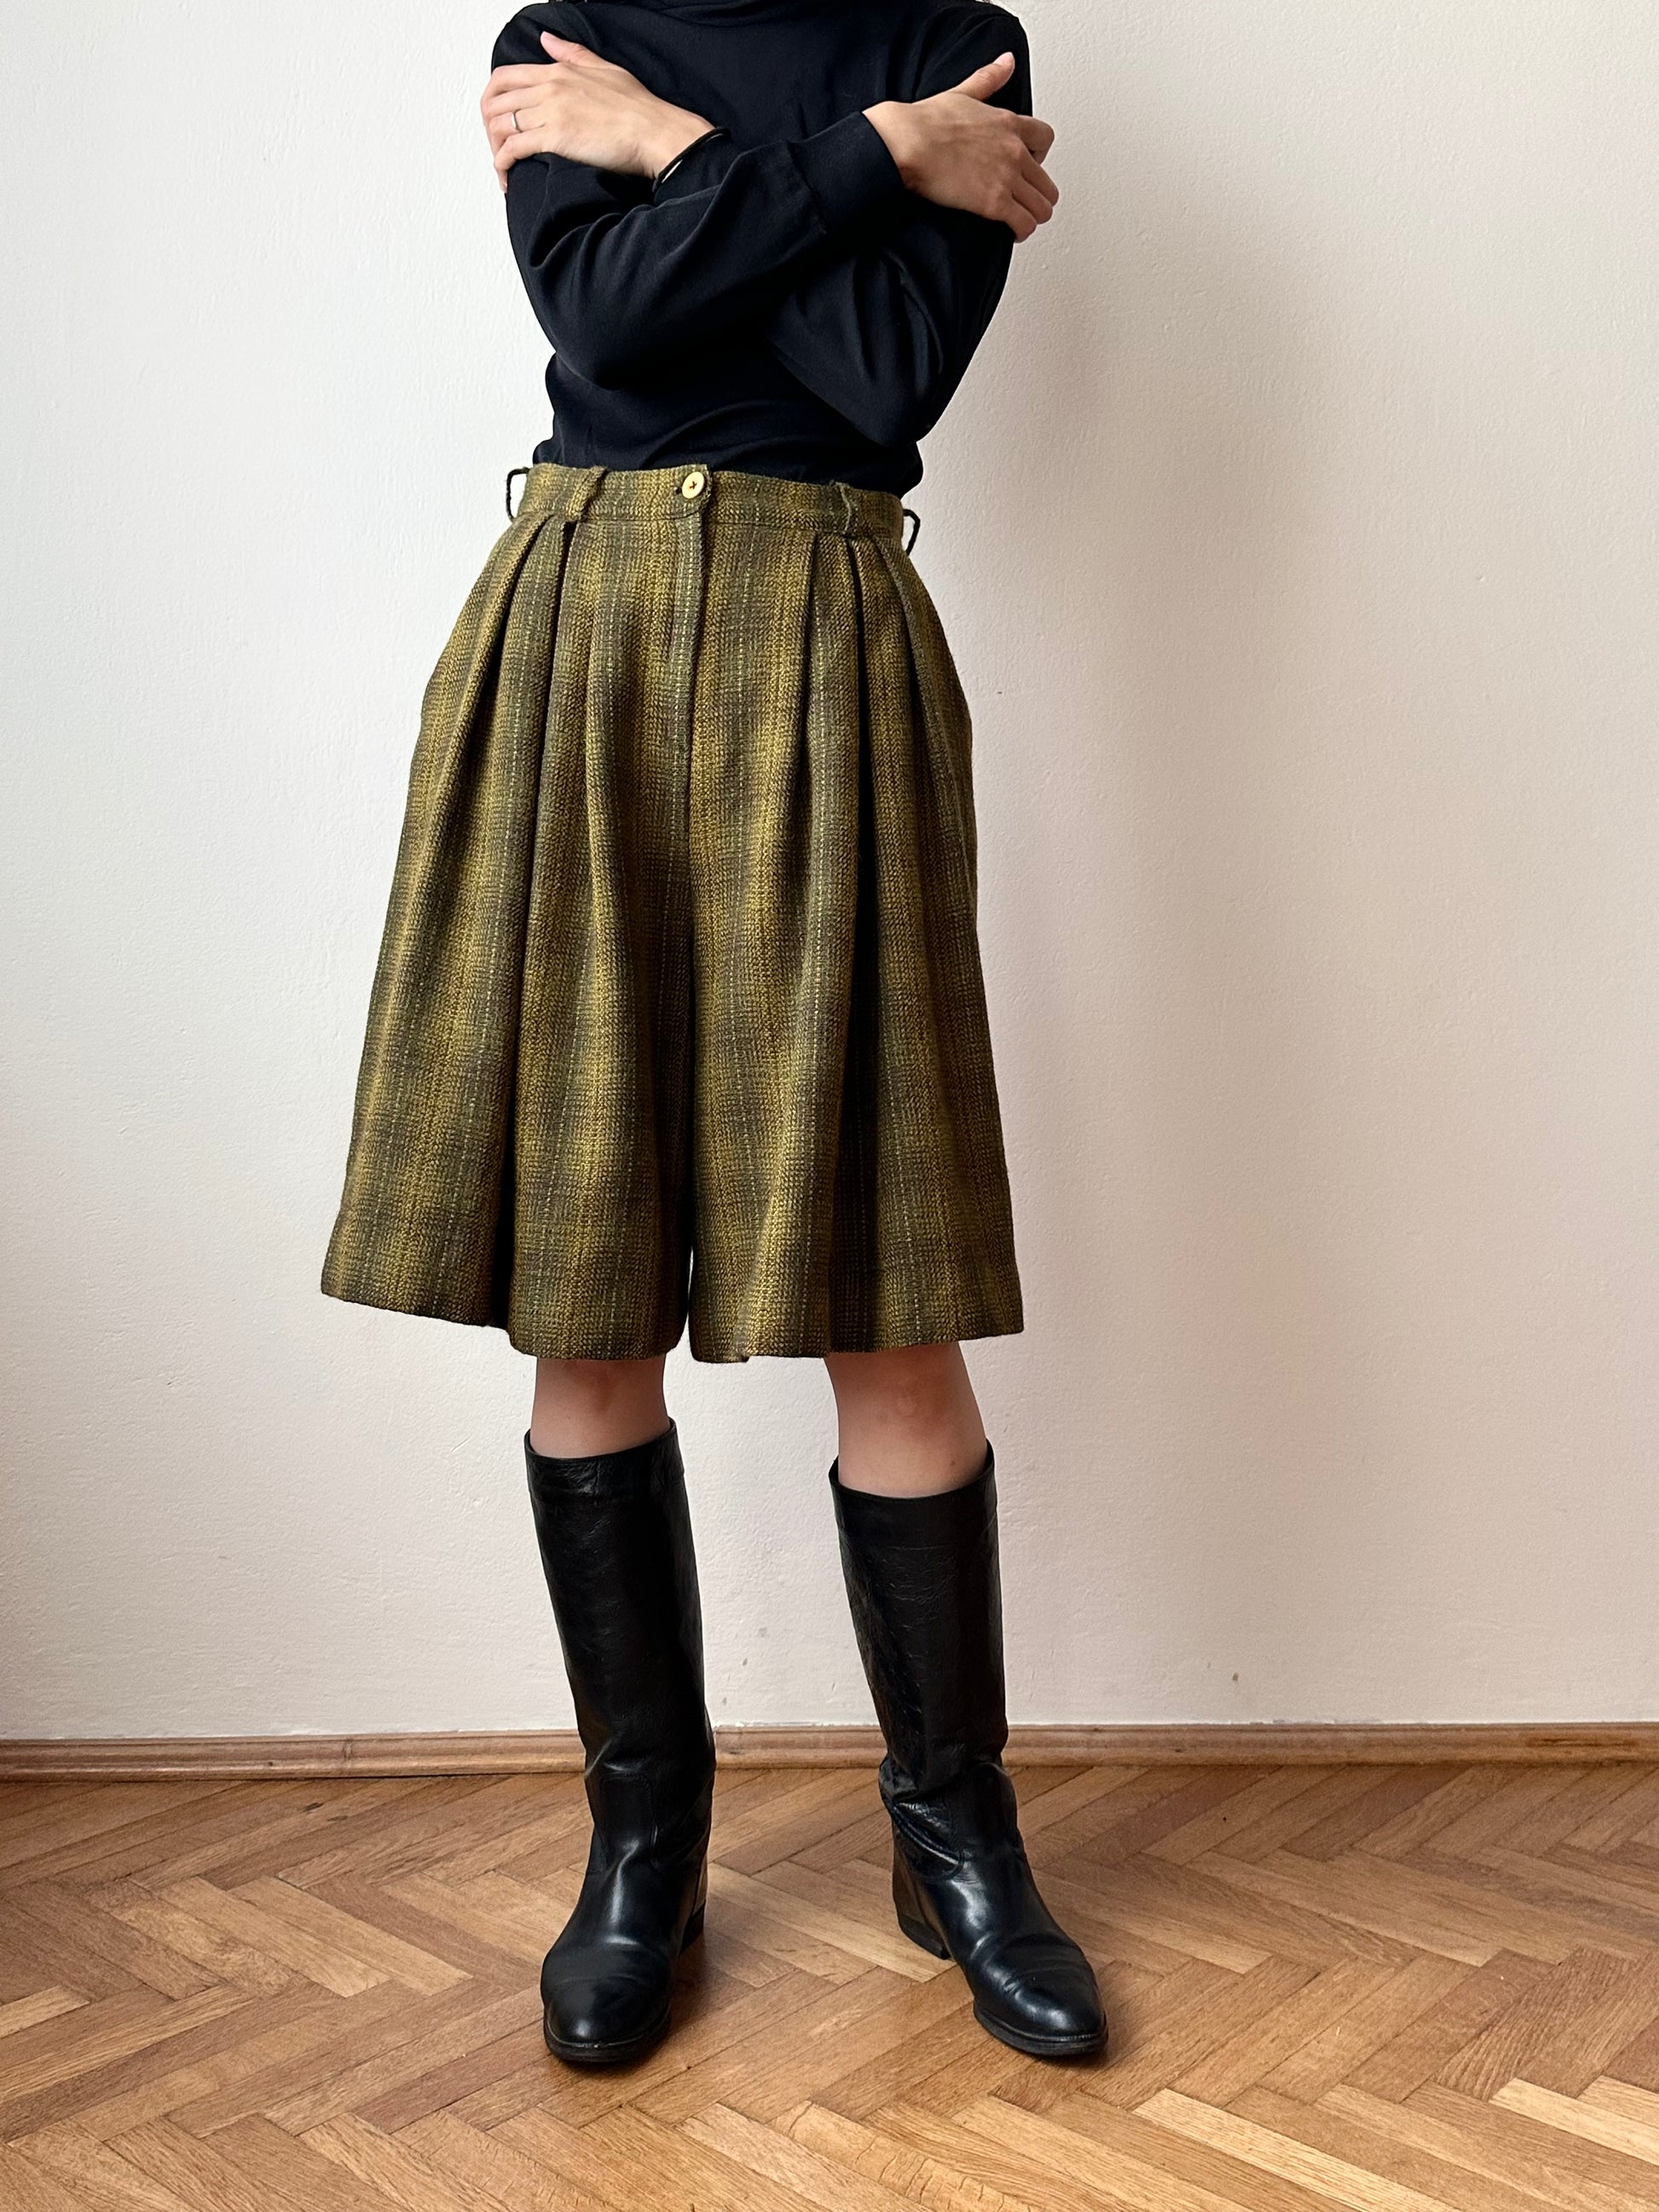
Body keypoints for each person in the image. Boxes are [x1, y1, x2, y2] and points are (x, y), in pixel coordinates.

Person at [321, 0, 1107, 2068]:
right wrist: (871, 166)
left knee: (886, 1285)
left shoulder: (957, 47)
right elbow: (608, 319)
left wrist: (678, 146)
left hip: (829, 623)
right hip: (573, 631)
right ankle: (641, 1849)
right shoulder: (564, 31)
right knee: (586, 1293)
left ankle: (956, 1837)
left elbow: (880, 374)